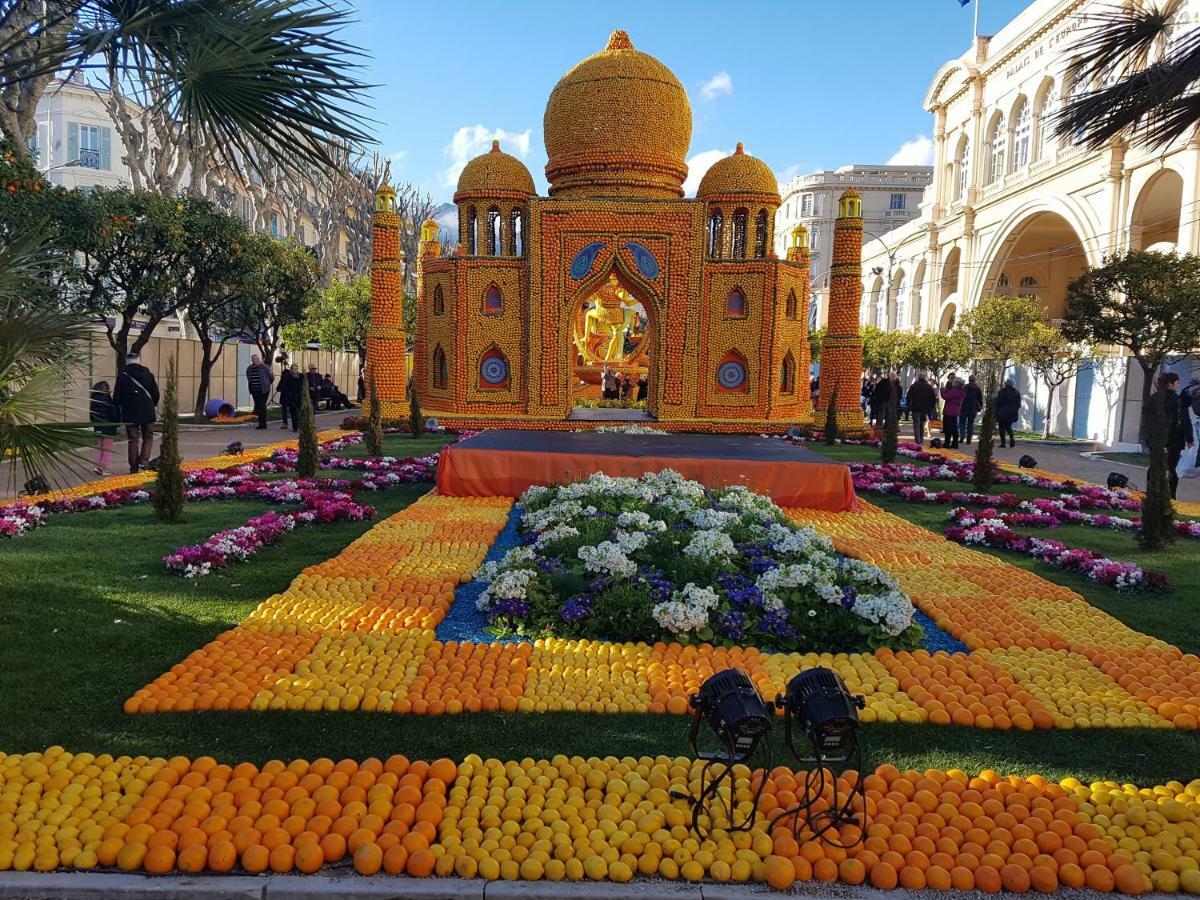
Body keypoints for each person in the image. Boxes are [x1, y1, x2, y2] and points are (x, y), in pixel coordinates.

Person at [1148, 372, 1194, 499]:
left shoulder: (1153, 399)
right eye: (1177, 383)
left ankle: (1151, 493)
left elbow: (1147, 420)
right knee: (1171, 467)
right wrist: (1189, 438)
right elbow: (1185, 420)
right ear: (1170, 384)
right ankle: (1171, 495)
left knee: (1155, 466)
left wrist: (1149, 438)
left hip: (1156, 439)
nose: (1178, 385)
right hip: (1174, 440)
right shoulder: (1178, 401)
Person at [113, 352, 159, 474]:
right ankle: (144, 462)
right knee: (148, 437)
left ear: (127, 362)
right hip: (147, 411)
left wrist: (122, 406)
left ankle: (133, 467)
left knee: (133, 439)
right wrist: (151, 405)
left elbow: (117, 397)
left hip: (130, 413)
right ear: (139, 360)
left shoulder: (122, 376)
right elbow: (155, 394)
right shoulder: (148, 375)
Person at [89, 380, 119, 476]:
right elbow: (114, 414)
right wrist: (116, 423)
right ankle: (104, 468)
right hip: (108, 428)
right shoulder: (109, 400)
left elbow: (92, 415)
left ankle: (97, 466)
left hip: (98, 427)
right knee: (107, 448)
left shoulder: (94, 401)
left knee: (100, 447)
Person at [906, 374, 936, 445]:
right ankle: (921, 439)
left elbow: (908, 396)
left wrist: (908, 406)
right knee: (922, 424)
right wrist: (931, 407)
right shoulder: (929, 387)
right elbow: (933, 398)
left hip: (915, 408)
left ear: (918, 378)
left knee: (916, 424)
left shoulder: (914, 386)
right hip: (925, 409)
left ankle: (918, 440)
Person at [245, 353, 274, 429]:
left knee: (262, 406)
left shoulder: (264, 367)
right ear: (252, 360)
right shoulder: (249, 368)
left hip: (264, 390)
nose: (256, 360)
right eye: (254, 359)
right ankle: (261, 423)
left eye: (257, 358)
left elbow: (271, 376)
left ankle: (263, 424)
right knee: (258, 406)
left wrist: (267, 384)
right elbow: (248, 377)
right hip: (254, 390)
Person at [940, 376, 966, 449]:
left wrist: (942, 388)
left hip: (949, 411)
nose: (952, 383)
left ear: (957, 383)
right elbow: (950, 395)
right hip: (956, 411)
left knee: (948, 428)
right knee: (954, 429)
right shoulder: (961, 391)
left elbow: (946, 396)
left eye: (953, 381)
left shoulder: (955, 390)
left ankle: (947, 443)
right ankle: (955, 443)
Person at [996, 379, 1022, 448]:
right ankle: (1012, 438)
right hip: (1012, 413)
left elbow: (998, 402)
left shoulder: (1002, 392)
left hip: (1002, 412)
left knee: (1001, 428)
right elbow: (1019, 404)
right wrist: (1014, 409)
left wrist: (997, 410)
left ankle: (1003, 443)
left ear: (1006, 384)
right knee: (1008, 427)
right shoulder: (1017, 392)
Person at [277, 364, 302, 431]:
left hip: (299, 397)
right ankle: (295, 427)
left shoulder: (301, 376)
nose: (295, 370)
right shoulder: (287, 377)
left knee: (300, 412)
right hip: (290, 397)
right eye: (293, 368)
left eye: (296, 368)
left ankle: (301, 425)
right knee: (293, 412)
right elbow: (283, 386)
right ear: (291, 369)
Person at [960, 375, 984, 445]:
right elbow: (980, 399)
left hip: (964, 407)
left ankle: (962, 436)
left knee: (962, 422)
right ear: (975, 380)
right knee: (970, 424)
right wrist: (980, 407)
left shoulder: (965, 387)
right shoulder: (977, 388)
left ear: (969, 379)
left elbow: (962, 397)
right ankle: (969, 439)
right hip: (973, 408)